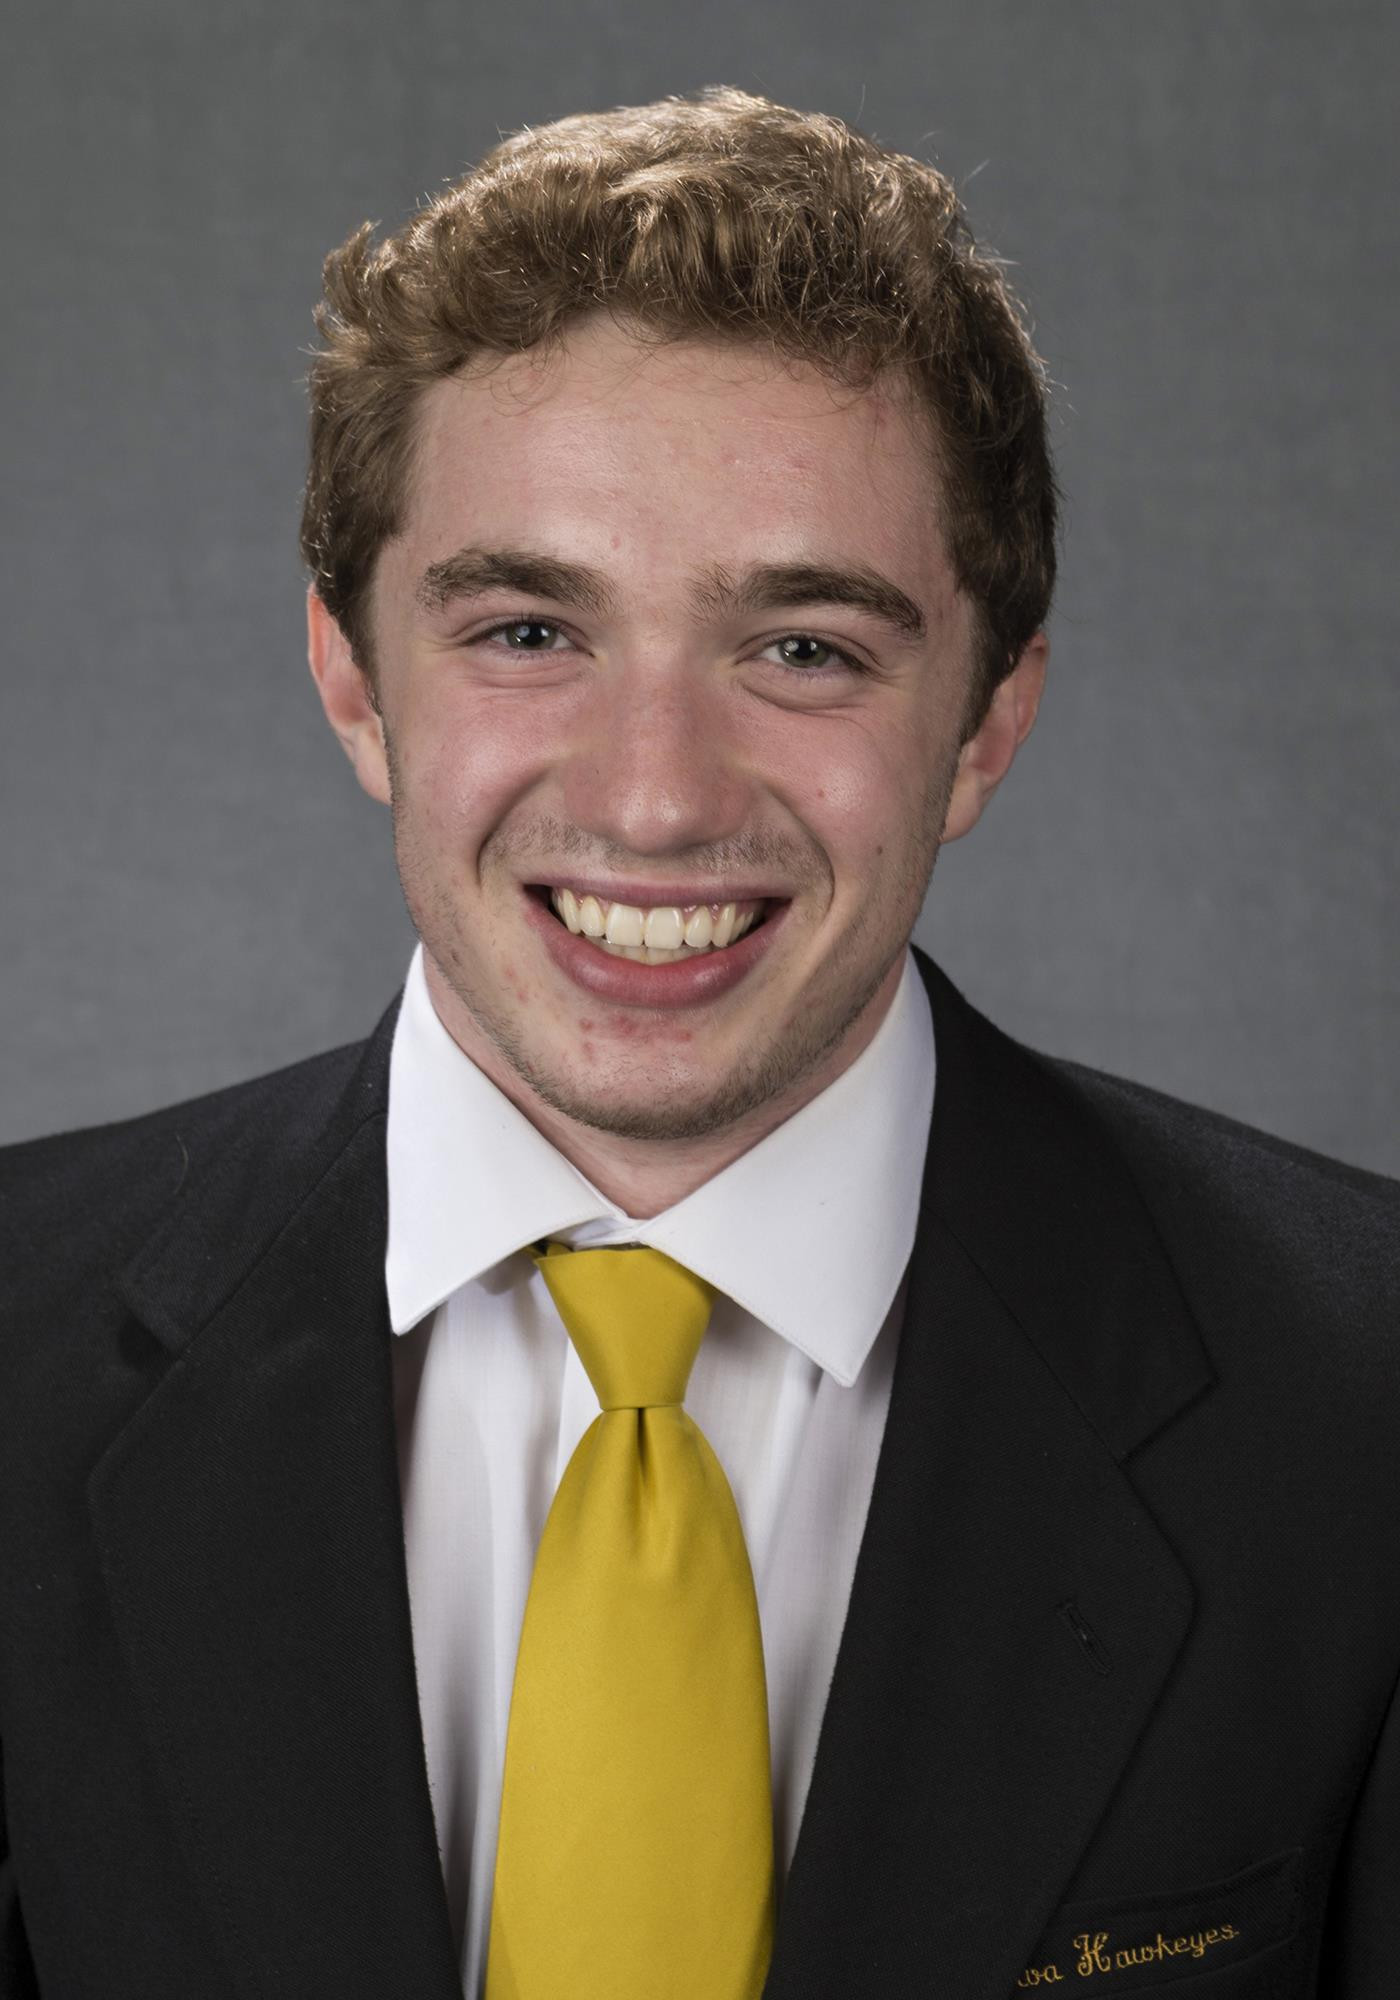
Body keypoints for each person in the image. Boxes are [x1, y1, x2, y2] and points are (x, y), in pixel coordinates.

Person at [1, 83, 1395, 2000]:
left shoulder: (1365, 1409)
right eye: (527, 631)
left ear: (985, 723)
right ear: (354, 683)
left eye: (804, 649)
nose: (654, 800)